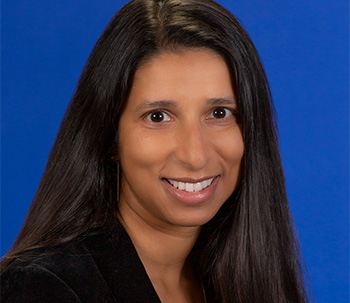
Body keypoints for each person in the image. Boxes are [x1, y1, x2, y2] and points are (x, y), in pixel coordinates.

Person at [1, 0, 311, 302]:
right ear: (110, 137)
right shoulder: (43, 287)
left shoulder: (244, 280)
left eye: (219, 113)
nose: (195, 155)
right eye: (158, 116)